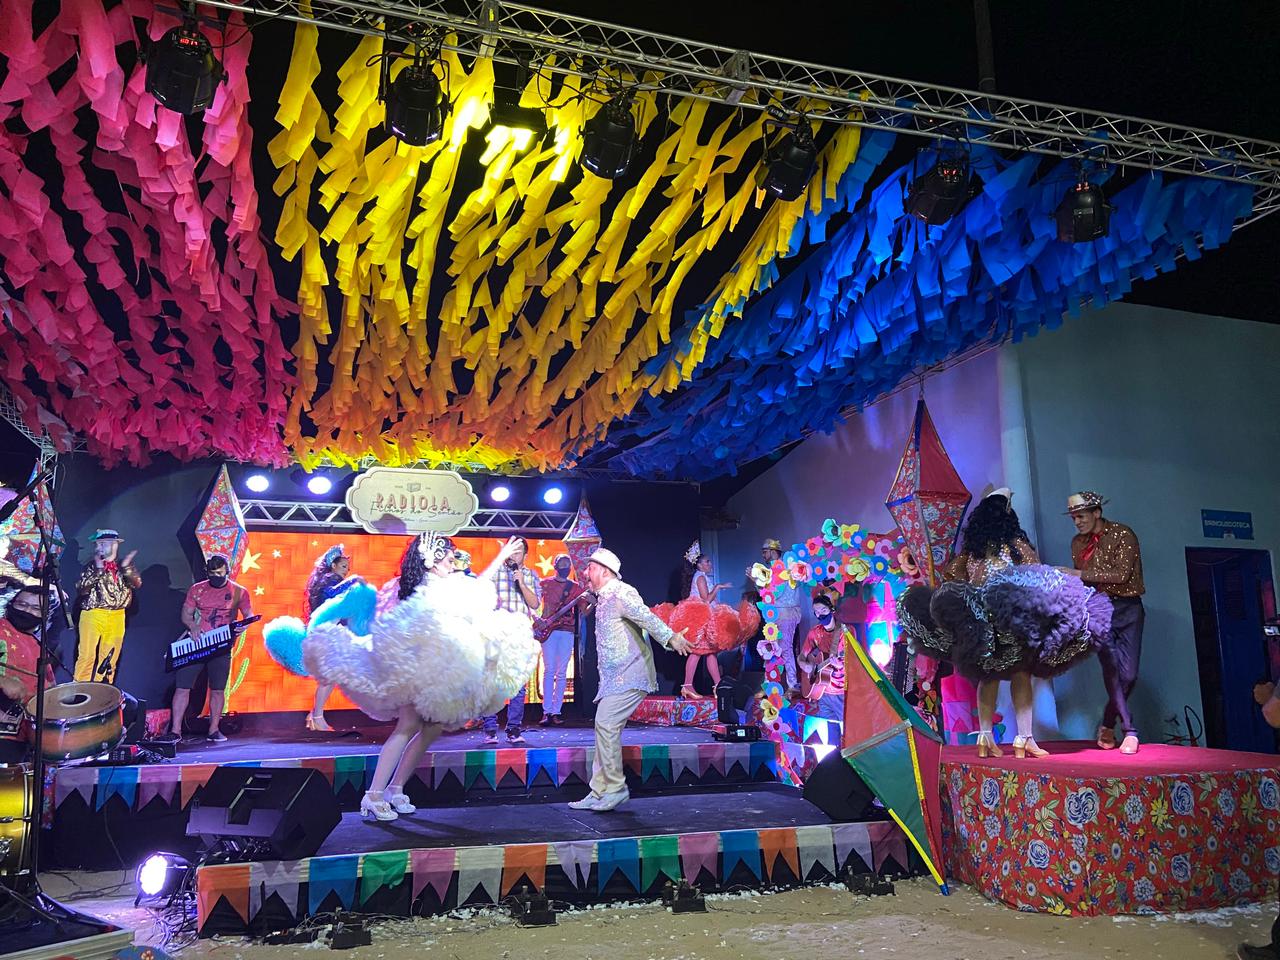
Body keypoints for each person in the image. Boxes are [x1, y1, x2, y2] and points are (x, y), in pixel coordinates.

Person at [300, 533, 537, 821]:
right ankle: (373, 795)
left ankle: (395, 788)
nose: (453, 562)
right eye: (448, 557)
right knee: (408, 726)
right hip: (417, 670)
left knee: (432, 728)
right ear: (432, 560)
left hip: (437, 670)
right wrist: (500, 558)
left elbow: (476, 589)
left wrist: (500, 558)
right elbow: (466, 596)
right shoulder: (420, 587)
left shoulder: (446, 583)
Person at [900, 489, 1112, 759]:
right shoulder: (1016, 545)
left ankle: (985, 737)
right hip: (1011, 620)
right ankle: (1025, 738)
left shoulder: (972, 551)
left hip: (981, 623)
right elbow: (1036, 575)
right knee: (1021, 674)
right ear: (1007, 513)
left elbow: (953, 578)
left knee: (988, 677)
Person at [570, 547, 691, 813]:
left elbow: (645, 616)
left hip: (630, 673)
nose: (586, 573)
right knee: (604, 728)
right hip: (614, 678)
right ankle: (599, 790)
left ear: (605, 571)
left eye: (591, 568)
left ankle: (615, 788)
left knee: (606, 724)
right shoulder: (604, 597)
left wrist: (670, 637)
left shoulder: (621, 592)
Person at [1063, 491, 1146, 755]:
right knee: (1110, 670)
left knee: (1128, 674)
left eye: (1081, 516)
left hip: (1129, 608)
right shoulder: (1077, 543)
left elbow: (1121, 575)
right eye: (1074, 518)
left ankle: (1108, 722)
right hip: (1099, 609)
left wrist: (1077, 573)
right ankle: (1130, 730)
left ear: (1097, 513)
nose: (1077, 522)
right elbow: (1085, 583)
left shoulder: (1123, 534)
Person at [161, 555, 253, 743]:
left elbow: (249, 614)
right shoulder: (197, 589)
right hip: (197, 643)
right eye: (213, 574)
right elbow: (186, 614)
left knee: (218, 689)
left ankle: (214, 729)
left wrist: (243, 626)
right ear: (207, 572)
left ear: (227, 571)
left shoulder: (239, 592)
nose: (216, 577)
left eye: (220, 573)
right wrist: (192, 626)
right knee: (182, 686)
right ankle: (175, 731)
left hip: (221, 644)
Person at [480, 536, 541, 745]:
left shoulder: (531, 575)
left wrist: (521, 583)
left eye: (518, 551)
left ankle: (514, 729)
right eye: (511, 550)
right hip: (497, 632)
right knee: (491, 681)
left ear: (525, 555)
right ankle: (490, 729)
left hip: (520, 635)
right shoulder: (495, 573)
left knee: (518, 685)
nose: (514, 555)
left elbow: (534, 604)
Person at [302, 545, 365, 732]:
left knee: (331, 677)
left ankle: (315, 715)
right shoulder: (330, 580)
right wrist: (353, 581)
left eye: (348, 568)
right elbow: (331, 594)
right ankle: (317, 717)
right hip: (325, 636)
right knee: (328, 678)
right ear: (333, 566)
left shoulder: (330, 582)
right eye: (344, 566)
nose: (347, 571)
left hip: (328, 635)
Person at [74, 529, 141, 684]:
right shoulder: (91, 566)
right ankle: (80, 690)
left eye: (103, 543)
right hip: (93, 614)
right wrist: (98, 569)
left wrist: (126, 567)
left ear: (114, 544)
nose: (99, 547)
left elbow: (137, 583)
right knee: (86, 655)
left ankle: (103, 690)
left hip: (117, 615)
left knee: (110, 656)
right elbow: (82, 589)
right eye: (98, 544)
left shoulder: (123, 567)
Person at [537, 553, 586, 726]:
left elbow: (584, 611)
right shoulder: (544, 583)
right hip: (548, 630)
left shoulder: (576, 587)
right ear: (555, 566)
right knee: (549, 670)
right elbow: (533, 603)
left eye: (567, 564)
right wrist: (537, 620)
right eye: (562, 564)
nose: (565, 567)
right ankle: (546, 712)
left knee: (562, 672)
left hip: (567, 631)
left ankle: (556, 711)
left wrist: (591, 601)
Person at [757, 538, 801, 694]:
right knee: (770, 648)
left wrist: (756, 580)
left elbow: (774, 593)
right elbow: (766, 595)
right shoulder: (771, 569)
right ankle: (769, 685)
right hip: (774, 613)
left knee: (785, 648)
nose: (763, 555)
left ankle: (792, 684)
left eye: (765, 552)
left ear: (773, 551)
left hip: (786, 612)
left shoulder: (785, 567)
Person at [799, 590, 846, 722]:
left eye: (823, 610)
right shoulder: (814, 632)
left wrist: (839, 665)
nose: (819, 615)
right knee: (829, 729)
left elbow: (853, 663)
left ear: (832, 609)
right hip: (822, 690)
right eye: (816, 612)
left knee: (846, 729)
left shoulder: (845, 632)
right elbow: (802, 656)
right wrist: (805, 665)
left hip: (841, 692)